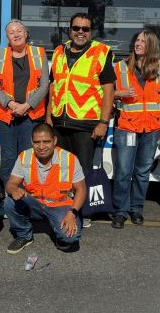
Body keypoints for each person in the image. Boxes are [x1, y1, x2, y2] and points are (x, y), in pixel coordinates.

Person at [46, 12, 115, 227]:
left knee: (82, 170)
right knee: (61, 169)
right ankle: (64, 208)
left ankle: (83, 212)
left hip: (86, 123)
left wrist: (103, 122)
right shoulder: (59, 51)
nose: (80, 32)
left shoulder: (101, 52)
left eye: (85, 29)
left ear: (91, 31)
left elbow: (109, 90)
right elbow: (53, 86)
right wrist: (48, 117)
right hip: (59, 121)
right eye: (77, 28)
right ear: (70, 29)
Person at [111, 30, 160, 228]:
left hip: (151, 129)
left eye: (143, 41)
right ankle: (120, 211)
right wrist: (119, 92)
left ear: (151, 44)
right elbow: (104, 92)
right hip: (127, 127)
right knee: (123, 171)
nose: (138, 43)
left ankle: (137, 210)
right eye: (136, 40)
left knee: (142, 172)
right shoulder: (120, 68)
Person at [4, 123, 86, 253]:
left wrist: (73, 213)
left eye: (46, 142)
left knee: (70, 239)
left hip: (61, 205)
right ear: (31, 142)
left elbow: (81, 189)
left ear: (54, 141)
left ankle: (58, 228)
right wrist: (14, 189)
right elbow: (10, 184)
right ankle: (24, 235)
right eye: (37, 142)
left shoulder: (69, 158)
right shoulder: (24, 157)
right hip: (34, 203)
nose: (41, 147)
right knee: (9, 201)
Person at [0, 19, 49, 192]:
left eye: (19, 31)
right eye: (11, 32)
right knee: (8, 157)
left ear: (26, 33)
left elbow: (44, 85)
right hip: (6, 115)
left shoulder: (38, 53)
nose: (16, 34)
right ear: (7, 37)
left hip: (31, 115)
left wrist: (27, 105)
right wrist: (11, 104)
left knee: (27, 156)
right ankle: (8, 196)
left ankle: (25, 196)